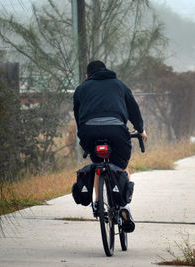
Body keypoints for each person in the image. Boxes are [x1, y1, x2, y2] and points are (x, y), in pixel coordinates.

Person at [73, 60, 148, 233]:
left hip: (89, 132)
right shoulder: (119, 85)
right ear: (106, 70)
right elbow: (133, 110)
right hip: (116, 132)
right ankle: (125, 208)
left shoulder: (81, 89)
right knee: (121, 166)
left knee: (99, 163)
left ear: (87, 76)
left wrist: (83, 135)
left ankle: (98, 203)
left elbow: (78, 116)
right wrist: (141, 130)